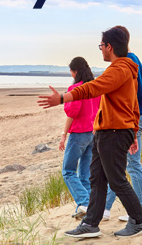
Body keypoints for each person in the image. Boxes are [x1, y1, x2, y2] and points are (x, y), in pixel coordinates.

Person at [38, 26, 142, 238]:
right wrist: (134, 131)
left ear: (110, 46)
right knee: (97, 179)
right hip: (107, 131)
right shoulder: (125, 69)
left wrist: (62, 98)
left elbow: (91, 88)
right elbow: (134, 103)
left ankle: (139, 221)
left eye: (102, 46)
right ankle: (91, 223)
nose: (101, 50)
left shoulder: (120, 69)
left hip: (115, 131)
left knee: (116, 179)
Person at [103, 26, 142, 222]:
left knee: (132, 165)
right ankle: (105, 209)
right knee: (118, 165)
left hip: (134, 117)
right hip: (135, 115)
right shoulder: (135, 58)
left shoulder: (127, 61)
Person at [59, 57, 100, 219]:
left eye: (71, 71)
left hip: (79, 135)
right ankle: (89, 208)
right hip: (92, 134)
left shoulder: (76, 88)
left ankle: (84, 202)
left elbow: (72, 112)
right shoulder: (94, 87)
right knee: (84, 175)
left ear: (75, 71)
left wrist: (65, 99)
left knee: (68, 171)